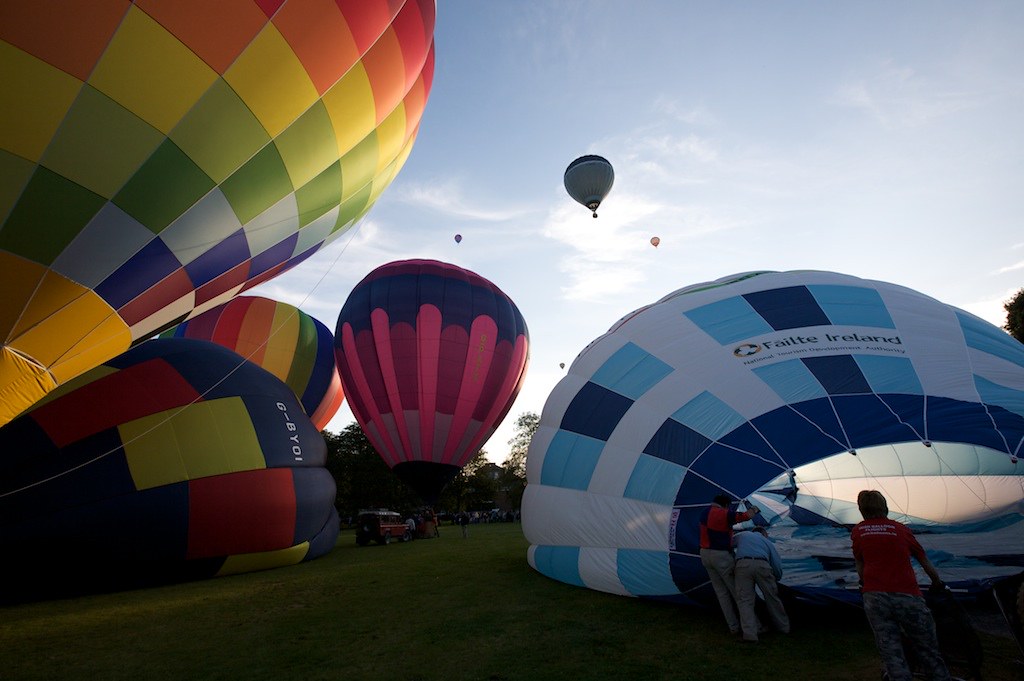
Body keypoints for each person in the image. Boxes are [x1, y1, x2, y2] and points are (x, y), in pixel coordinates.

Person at [852, 490, 950, 681]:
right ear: (885, 507)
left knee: (890, 651)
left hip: (874, 597)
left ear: (861, 510)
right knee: (928, 649)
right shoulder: (901, 530)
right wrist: (937, 583)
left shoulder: (859, 531)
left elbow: (860, 564)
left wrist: (864, 584)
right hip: (907, 596)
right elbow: (924, 561)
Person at [699, 494, 760, 635]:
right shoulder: (724, 514)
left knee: (721, 594)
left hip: (705, 555)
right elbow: (746, 516)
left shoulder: (704, 513)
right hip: (721, 557)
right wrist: (755, 509)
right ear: (726, 505)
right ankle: (754, 626)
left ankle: (733, 627)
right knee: (738, 592)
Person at [733, 526, 790, 642]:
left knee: (745, 600)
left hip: (742, 564)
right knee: (772, 597)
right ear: (764, 534)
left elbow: (729, 542)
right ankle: (783, 627)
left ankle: (750, 634)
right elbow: (776, 564)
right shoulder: (767, 542)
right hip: (762, 565)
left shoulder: (744, 535)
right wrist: (776, 579)